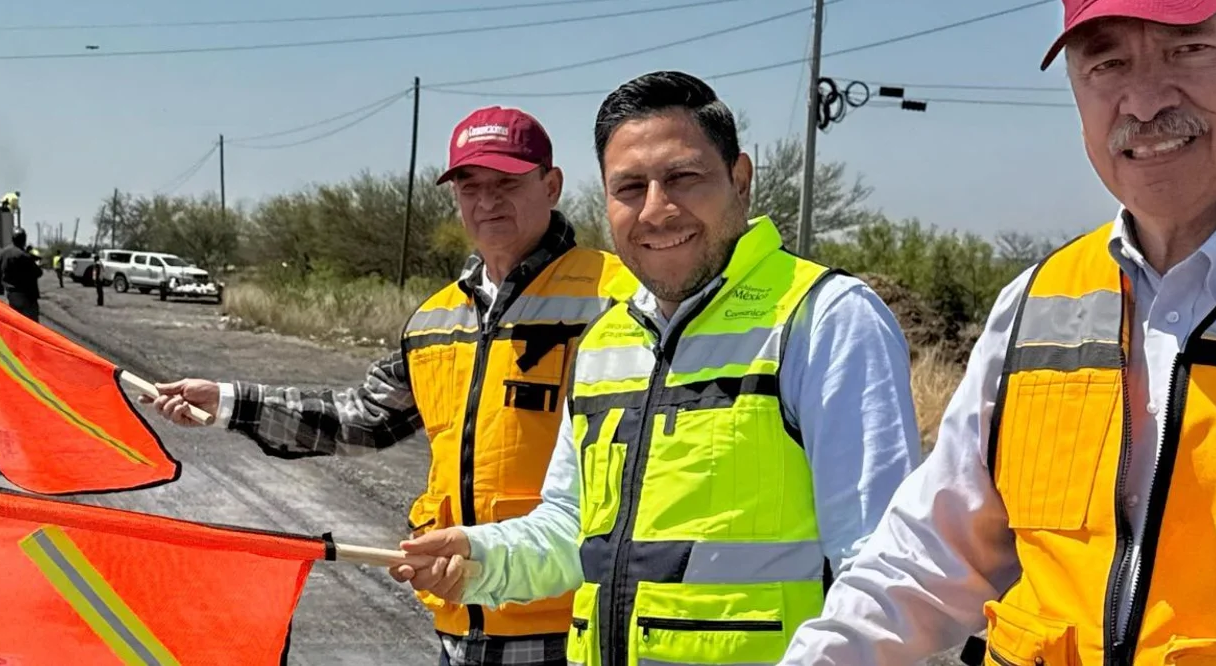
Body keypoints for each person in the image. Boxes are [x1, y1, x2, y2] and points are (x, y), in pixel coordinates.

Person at [778, 0, 1216, 665]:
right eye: (1106, 63)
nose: (1142, 99)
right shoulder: (1037, 305)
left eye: (1188, 48)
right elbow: (922, 564)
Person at [393, 71, 922, 666]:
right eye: (628, 188)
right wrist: (479, 556)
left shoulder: (823, 320)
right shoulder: (606, 339)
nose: (656, 210)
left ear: (740, 180)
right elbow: (570, 532)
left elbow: (885, 569)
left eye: (682, 178)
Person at [145, 106, 630, 666]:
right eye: (470, 186)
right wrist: (230, 402)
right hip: (458, 619)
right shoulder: (435, 319)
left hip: (572, 627)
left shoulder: (615, 299)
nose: (487, 201)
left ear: (551, 185)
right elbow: (360, 417)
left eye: (507, 183)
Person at [0, 228, 42, 322]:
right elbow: (38, 273)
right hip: (25, 296)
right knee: (31, 326)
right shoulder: (24, 256)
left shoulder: (4, 253)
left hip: (10, 294)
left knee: (15, 324)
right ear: (24, 240)